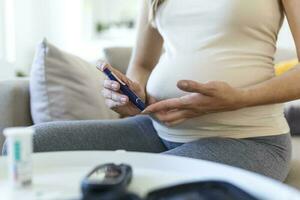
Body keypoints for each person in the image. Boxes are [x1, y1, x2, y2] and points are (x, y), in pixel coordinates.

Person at [32, 0, 300, 181]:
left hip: (250, 141)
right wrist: (134, 96)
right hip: (156, 129)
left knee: (142, 182)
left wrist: (240, 98)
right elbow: (143, 63)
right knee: (31, 144)